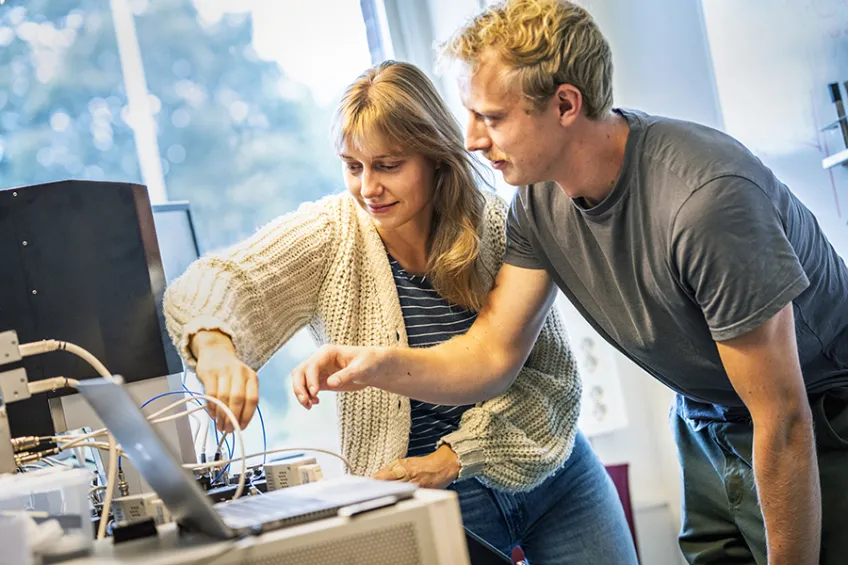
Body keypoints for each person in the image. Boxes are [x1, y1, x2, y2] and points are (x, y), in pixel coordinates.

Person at [291, 2, 848, 564]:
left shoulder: (704, 201)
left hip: (819, 419)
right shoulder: (539, 200)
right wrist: (378, 366)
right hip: (707, 413)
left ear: (564, 104)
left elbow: (782, 416)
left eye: (492, 117)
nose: (472, 139)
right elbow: (489, 354)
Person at [164, 60, 638, 563]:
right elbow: (213, 282)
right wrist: (216, 351)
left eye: (388, 165)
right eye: (353, 166)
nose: (368, 187)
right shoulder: (332, 233)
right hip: (429, 497)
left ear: (435, 157)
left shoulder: (496, 226)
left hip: (552, 475)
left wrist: (453, 457)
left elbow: (551, 380)